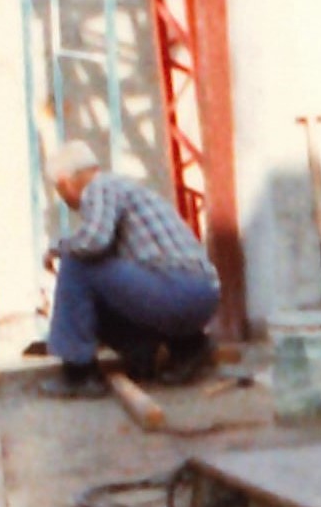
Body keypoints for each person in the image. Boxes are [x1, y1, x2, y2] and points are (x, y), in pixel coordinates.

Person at [41, 139, 219, 390]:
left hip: (178, 290)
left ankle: (78, 373)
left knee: (76, 260)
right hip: (201, 295)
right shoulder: (125, 187)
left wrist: (57, 249)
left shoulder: (99, 187)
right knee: (95, 285)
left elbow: (94, 241)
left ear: (64, 182)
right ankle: (180, 349)